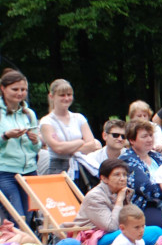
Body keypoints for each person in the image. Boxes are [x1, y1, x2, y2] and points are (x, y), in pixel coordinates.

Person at [68, 158, 162, 245]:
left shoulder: (120, 191)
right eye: (117, 175)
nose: (122, 178)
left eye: (125, 175)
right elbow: (111, 227)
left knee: (147, 235)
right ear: (104, 178)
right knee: (154, 232)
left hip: (112, 233)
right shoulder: (95, 196)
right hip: (92, 238)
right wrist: (120, 200)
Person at [0, 70, 41, 224]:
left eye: (23, 90)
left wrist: (35, 141)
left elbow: (36, 150)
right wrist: (6, 136)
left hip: (30, 171)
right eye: (15, 89)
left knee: (29, 217)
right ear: (3, 89)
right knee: (17, 218)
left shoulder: (29, 113)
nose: (20, 93)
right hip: (5, 172)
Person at [39, 79, 101, 178]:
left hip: (80, 166)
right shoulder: (47, 121)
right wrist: (80, 142)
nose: (66, 98)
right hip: (58, 167)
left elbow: (92, 144)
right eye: (62, 95)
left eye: (69, 95)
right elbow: (58, 149)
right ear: (52, 96)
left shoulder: (79, 118)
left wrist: (68, 149)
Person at [121, 119, 162, 228]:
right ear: (132, 140)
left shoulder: (158, 157)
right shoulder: (127, 160)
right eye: (144, 136)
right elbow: (148, 190)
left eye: (151, 135)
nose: (150, 139)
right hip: (144, 206)